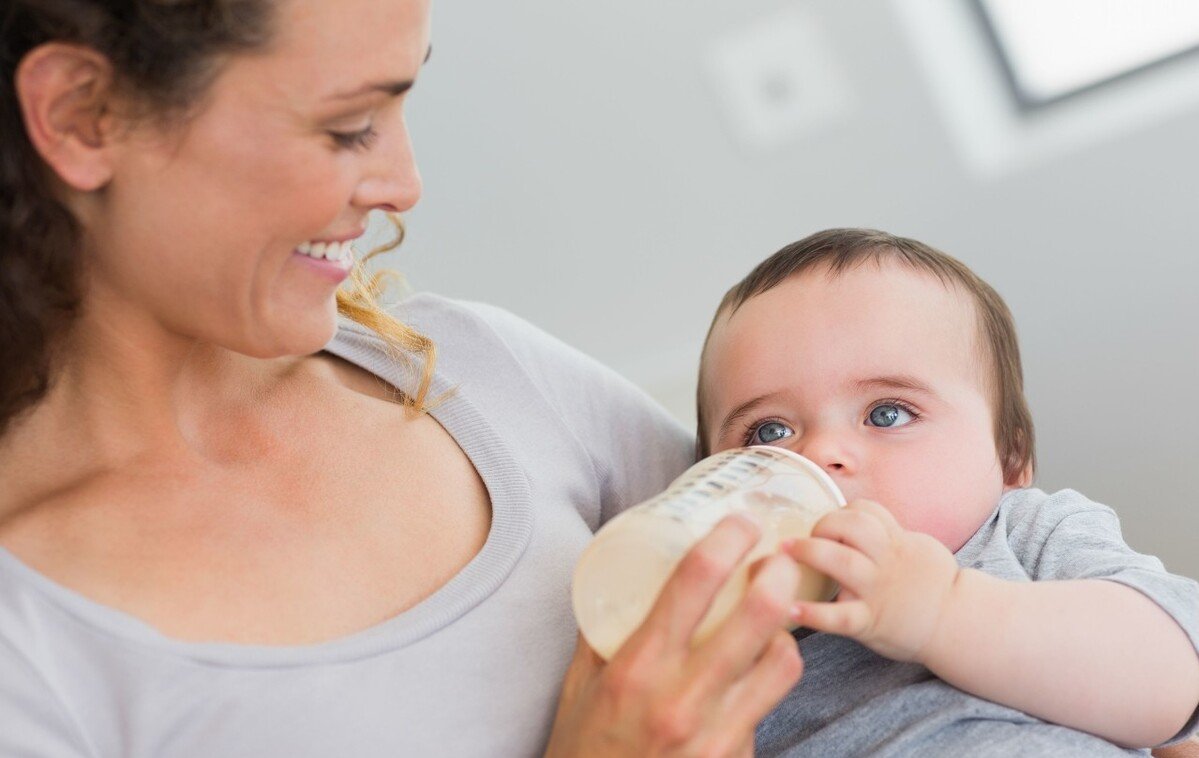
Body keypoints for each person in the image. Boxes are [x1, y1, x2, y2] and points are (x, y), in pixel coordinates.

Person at [0, 1, 807, 755]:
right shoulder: (29, 654)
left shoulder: (482, 368)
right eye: (350, 126)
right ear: (82, 115)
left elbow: (875, 579)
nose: (403, 185)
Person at [696, 228, 1199, 756]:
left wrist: (942, 612)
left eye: (887, 414)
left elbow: (1175, 678)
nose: (817, 454)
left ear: (1009, 457)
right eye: (768, 433)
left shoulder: (1030, 532)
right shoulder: (729, 627)